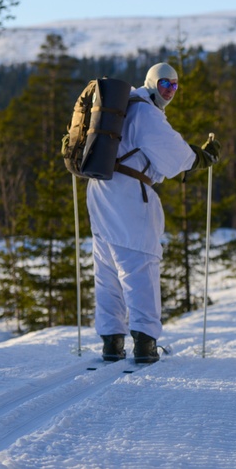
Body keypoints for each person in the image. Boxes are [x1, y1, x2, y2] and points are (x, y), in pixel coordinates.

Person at [87, 61, 221, 363]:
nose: (169, 91)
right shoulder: (146, 112)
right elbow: (175, 157)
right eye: (164, 84)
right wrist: (202, 157)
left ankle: (111, 342)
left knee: (106, 269)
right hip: (129, 196)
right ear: (151, 83)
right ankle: (145, 344)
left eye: (174, 85)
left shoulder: (123, 106)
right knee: (139, 266)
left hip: (100, 190)